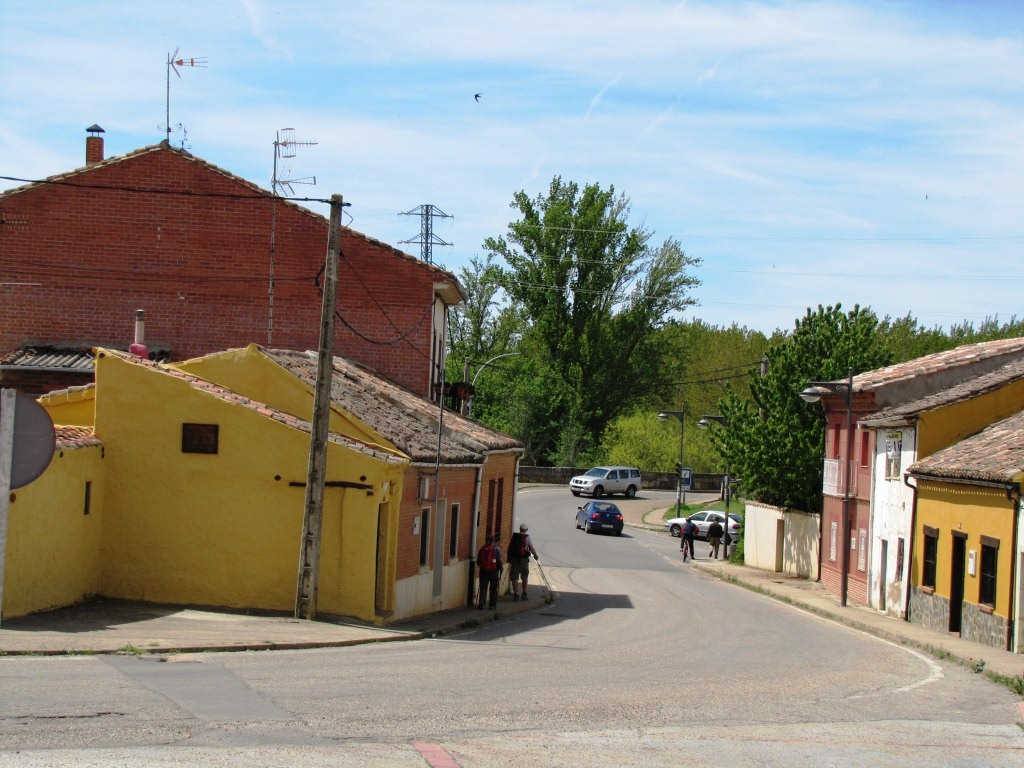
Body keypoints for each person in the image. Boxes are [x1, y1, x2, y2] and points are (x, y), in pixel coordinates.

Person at [507, 523, 539, 601]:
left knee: (515, 577)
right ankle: (524, 593)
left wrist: (509, 558)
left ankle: (516, 594)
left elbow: (510, 547)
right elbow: (531, 548)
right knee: (524, 576)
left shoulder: (514, 536)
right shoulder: (527, 537)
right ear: (526, 530)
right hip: (523, 560)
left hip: (514, 559)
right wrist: (535, 555)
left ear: (519, 529)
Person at [476, 535, 502, 610]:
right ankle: (492, 605)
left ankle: (481, 602)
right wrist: (500, 568)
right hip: (493, 571)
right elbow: (498, 560)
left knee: (483, 587)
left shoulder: (482, 549)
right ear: (493, 541)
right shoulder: (496, 549)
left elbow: (478, 562)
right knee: (493, 588)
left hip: (483, 571)